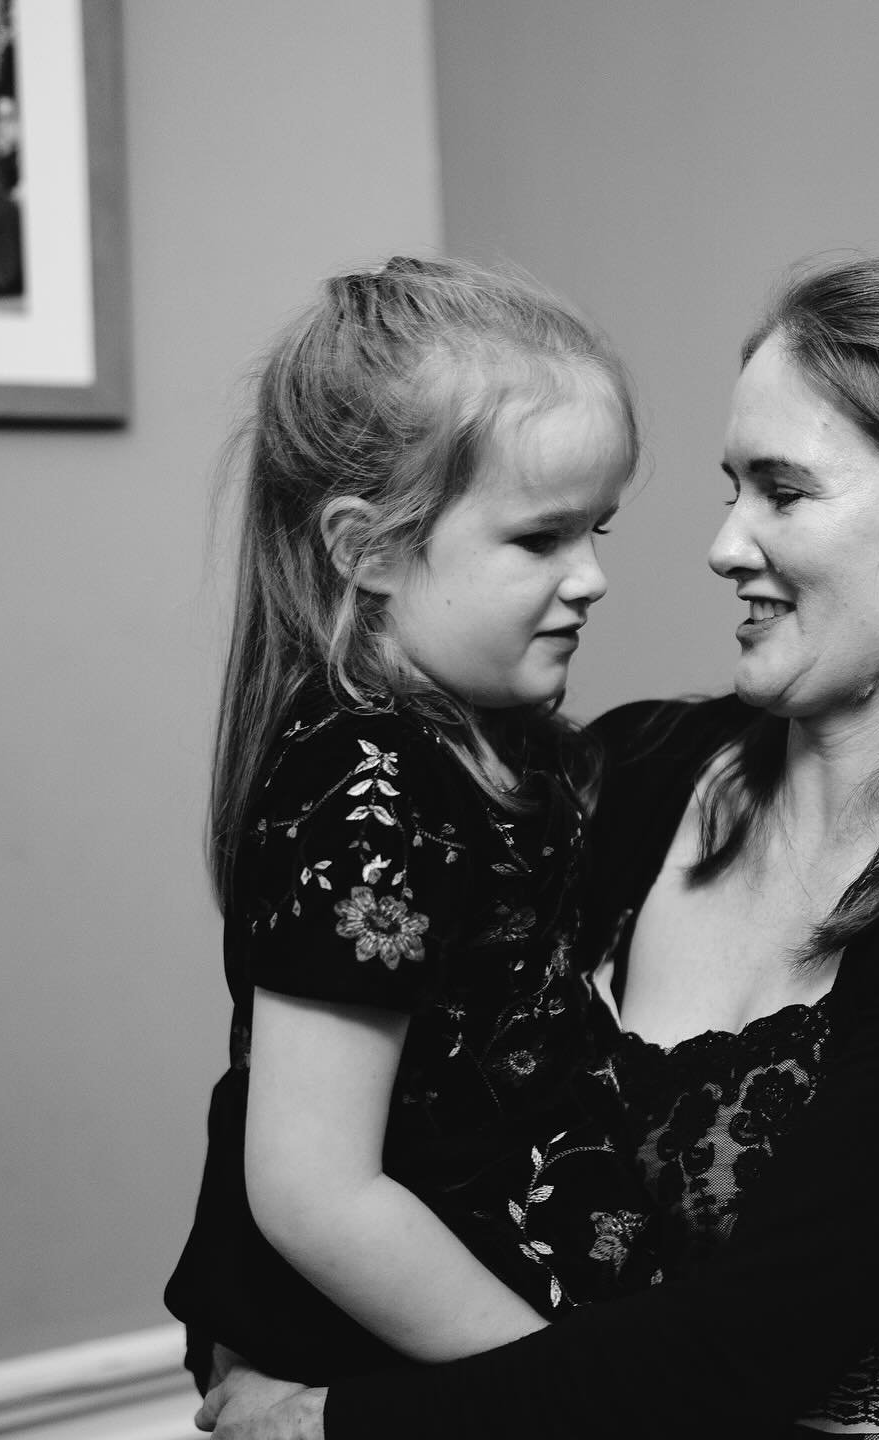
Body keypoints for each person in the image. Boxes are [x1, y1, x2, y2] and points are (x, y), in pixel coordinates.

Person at [203, 252, 879, 1439]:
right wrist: (246, 1328)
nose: (723, 545)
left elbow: (746, 1360)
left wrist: (333, 1422)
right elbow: (345, 1097)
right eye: (729, 487)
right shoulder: (638, 771)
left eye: (783, 492)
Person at [164, 255, 661, 1392]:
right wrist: (558, 1396)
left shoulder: (489, 732)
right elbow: (314, 1189)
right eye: (541, 540)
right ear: (369, 548)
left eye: (600, 531)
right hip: (410, 1369)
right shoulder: (368, 786)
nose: (589, 578)